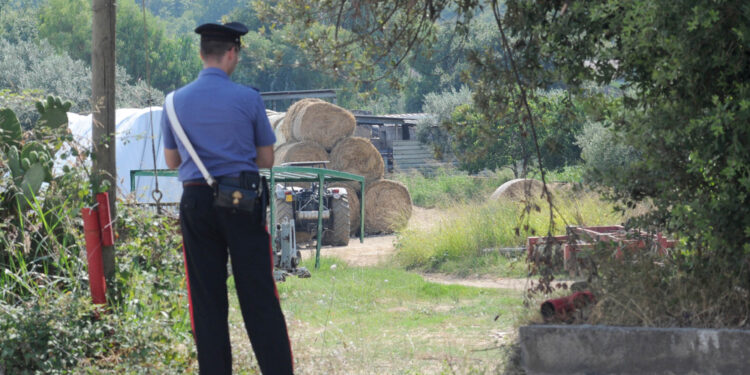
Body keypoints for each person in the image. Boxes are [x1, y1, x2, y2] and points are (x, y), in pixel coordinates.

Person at [161, 21, 294, 374]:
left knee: (206, 300)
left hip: (195, 202)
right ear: (231, 53)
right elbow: (266, 159)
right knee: (259, 294)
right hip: (241, 200)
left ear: (201, 53)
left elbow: (172, 161)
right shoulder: (248, 98)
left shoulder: (172, 102)